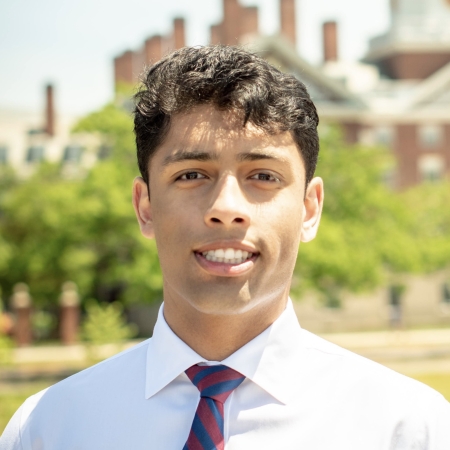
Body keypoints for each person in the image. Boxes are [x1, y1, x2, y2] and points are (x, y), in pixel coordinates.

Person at [1, 45, 449, 450]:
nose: (226, 209)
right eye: (192, 174)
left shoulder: (408, 430)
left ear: (310, 209)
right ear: (145, 207)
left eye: (263, 176)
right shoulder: (49, 430)